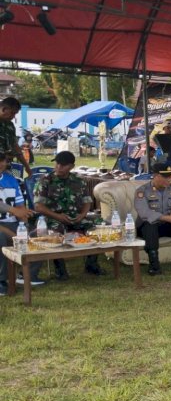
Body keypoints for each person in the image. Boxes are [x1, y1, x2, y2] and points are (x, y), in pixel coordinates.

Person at [34, 151, 103, 279]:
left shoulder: (78, 181)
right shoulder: (45, 181)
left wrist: (82, 215)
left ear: (71, 166)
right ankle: (60, 269)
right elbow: (38, 206)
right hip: (52, 218)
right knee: (56, 230)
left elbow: (87, 201)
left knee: (95, 227)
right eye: (57, 164)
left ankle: (91, 264)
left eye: (63, 165)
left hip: (75, 217)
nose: (59, 167)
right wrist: (57, 216)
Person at [0, 152, 43, 293]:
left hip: (12, 223)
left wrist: (23, 225)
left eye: (4, 161)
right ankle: (2, 281)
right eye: (2, 161)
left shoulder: (10, 180)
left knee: (39, 235)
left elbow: (20, 207)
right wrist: (13, 234)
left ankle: (27, 275)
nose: (4, 164)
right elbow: (15, 209)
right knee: (1, 237)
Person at [0, 97, 32, 176]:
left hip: (5, 168)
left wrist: (27, 167)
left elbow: (15, 146)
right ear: (4, 109)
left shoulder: (10, 126)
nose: (13, 116)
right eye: (12, 113)